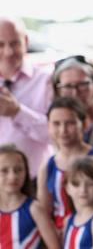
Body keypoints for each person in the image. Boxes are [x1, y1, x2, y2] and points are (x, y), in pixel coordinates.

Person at [34, 97, 93, 234]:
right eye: (56, 124)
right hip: (61, 239)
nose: (63, 130)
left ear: (85, 124)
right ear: (48, 126)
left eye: (70, 123)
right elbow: (44, 215)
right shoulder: (48, 166)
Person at [0, 17, 52, 180]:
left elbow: (56, 136)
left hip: (34, 183)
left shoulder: (46, 81)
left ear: (26, 42)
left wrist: (18, 112)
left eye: (14, 43)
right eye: (0, 45)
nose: (8, 52)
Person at [0, 143, 59, 249]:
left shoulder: (34, 209)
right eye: (4, 171)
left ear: (26, 172)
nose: (12, 176)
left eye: (18, 170)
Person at [62, 156, 93, 249]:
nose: (83, 190)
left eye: (90, 184)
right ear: (67, 188)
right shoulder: (68, 220)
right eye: (76, 184)